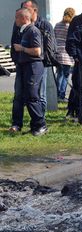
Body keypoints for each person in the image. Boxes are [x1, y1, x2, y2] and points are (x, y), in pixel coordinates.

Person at [9, 8, 47, 136]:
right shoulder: (22, 31)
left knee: (32, 96)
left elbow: (37, 51)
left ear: (24, 18)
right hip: (23, 66)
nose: (15, 20)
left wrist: (22, 49)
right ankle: (33, 125)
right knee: (23, 96)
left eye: (17, 17)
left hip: (33, 66)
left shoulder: (33, 31)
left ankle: (41, 125)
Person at [54, 7, 75, 102]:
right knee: (65, 76)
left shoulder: (58, 25)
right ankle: (61, 95)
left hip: (57, 52)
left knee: (59, 74)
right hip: (66, 54)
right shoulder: (70, 26)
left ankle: (57, 94)